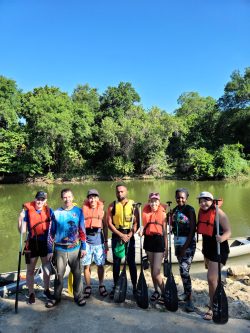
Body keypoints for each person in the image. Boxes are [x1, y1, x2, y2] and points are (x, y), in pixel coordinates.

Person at [46, 188, 87, 307]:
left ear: (72, 197)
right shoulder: (56, 213)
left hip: (75, 248)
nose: (67, 199)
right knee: (59, 275)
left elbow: (82, 231)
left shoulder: (79, 211)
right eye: (64, 197)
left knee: (77, 274)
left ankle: (78, 296)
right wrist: (50, 250)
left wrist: (83, 247)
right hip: (60, 249)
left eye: (69, 197)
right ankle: (56, 297)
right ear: (61, 198)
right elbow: (51, 233)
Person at [197, 191, 231, 320]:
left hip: (219, 249)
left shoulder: (219, 213)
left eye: (206, 200)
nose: (203, 203)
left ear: (212, 201)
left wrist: (222, 238)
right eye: (201, 200)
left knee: (211, 278)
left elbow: (229, 231)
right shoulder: (202, 212)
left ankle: (212, 307)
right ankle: (213, 300)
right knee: (213, 280)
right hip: (208, 250)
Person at [18, 191, 54, 304]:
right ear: (35, 199)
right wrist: (20, 218)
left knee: (47, 269)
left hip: (45, 244)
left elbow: (54, 229)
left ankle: (46, 290)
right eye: (38, 199)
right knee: (30, 270)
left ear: (45, 201)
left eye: (42, 199)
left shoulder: (49, 211)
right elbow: (22, 231)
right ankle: (31, 293)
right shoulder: (27, 212)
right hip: (31, 244)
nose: (40, 201)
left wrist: (51, 249)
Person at [107, 184, 138, 299]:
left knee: (131, 262)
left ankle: (134, 287)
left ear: (126, 192)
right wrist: (120, 235)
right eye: (118, 192)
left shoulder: (133, 205)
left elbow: (136, 223)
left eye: (122, 191)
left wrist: (129, 235)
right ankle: (115, 286)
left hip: (129, 235)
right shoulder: (112, 206)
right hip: (117, 235)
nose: (120, 194)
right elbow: (109, 223)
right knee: (116, 262)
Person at [172, 188, 196, 312]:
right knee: (182, 270)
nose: (180, 199)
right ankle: (186, 293)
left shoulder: (190, 210)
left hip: (188, 244)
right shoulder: (175, 210)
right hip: (177, 243)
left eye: (182, 197)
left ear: (186, 198)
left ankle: (190, 299)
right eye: (178, 197)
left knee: (184, 270)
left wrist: (184, 247)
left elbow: (192, 230)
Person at [81, 189, 108, 298]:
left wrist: (106, 241)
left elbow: (105, 227)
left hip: (99, 241)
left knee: (100, 265)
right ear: (88, 199)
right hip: (86, 242)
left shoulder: (102, 211)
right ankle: (88, 286)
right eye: (90, 197)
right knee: (86, 265)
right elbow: (80, 227)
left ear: (98, 198)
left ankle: (101, 284)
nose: (92, 199)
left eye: (94, 197)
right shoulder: (82, 211)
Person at [141, 192, 167, 303]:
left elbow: (165, 232)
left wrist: (167, 248)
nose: (154, 203)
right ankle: (156, 291)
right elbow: (143, 226)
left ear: (159, 202)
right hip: (148, 240)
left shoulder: (163, 213)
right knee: (152, 268)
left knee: (156, 271)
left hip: (159, 241)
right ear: (149, 202)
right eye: (152, 201)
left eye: (156, 201)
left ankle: (165, 293)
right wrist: (141, 230)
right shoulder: (145, 211)